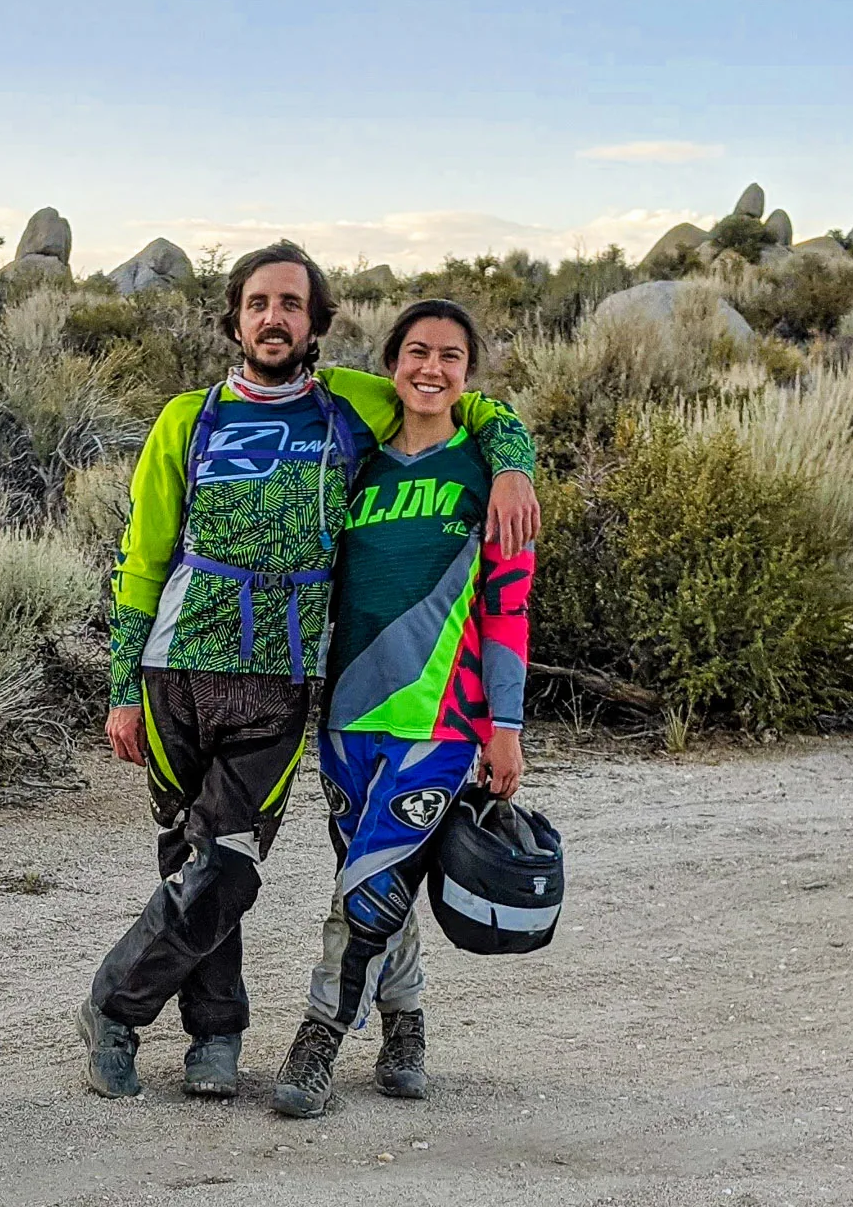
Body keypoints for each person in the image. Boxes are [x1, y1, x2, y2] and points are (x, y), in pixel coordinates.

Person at [83, 243, 539, 1100]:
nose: (273, 317)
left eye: (291, 304)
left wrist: (512, 463)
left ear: (315, 322)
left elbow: (461, 402)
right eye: (258, 302)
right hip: (174, 668)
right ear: (235, 316)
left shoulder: (351, 405)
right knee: (187, 861)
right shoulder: (187, 418)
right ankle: (214, 1040)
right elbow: (139, 560)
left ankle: (113, 1007)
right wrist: (119, 689)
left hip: (283, 679)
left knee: (228, 865)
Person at [271, 299, 532, 1117]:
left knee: (370, 885)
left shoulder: (490, 478)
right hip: (348, 717)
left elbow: (509, 609)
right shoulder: (360, 468)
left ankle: (318, 1037)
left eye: (451, 357)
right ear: (393, 365)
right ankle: (406, 1021)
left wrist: (508, 727)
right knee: (374, 875)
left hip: (444, 724)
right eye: (417, 352)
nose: (432, 368)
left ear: (469, 375)